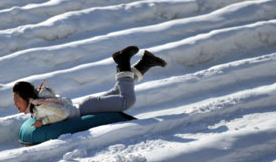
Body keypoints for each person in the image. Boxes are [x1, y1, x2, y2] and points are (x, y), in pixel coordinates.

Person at [12, 46, 167, 128]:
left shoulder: (40, 107)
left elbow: (63, 114)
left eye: (17, 100)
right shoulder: (42, 99)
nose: (15, 104)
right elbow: (63, 102)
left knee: (127, 100)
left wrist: (43, 122)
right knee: (120, 90)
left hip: (87, 109)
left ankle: (122, 62)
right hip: (87, 104)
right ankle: (145, 63)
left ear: (27, 98)